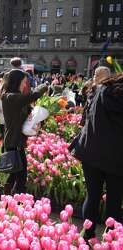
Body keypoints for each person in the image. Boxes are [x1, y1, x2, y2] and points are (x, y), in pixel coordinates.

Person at [70, 73, 123, 242]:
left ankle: (87, 236)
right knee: (114, 199)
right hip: (117, 156)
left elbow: (88, 119)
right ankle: (112, 240)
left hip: (91, 152)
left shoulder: (100, 90)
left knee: (92, 196)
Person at [1, 69, 48, 194]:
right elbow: (33, 95)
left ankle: (7, 201)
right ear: (17, 82)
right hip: (13, 142)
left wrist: (37, 121)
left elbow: (29, 115)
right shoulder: (9, 97)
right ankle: (15, 201)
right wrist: (45, 85)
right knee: (19, 175)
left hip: (19, 141)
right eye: (24, 82)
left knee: (16, 174)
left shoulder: (18, 99)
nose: (25, 85)